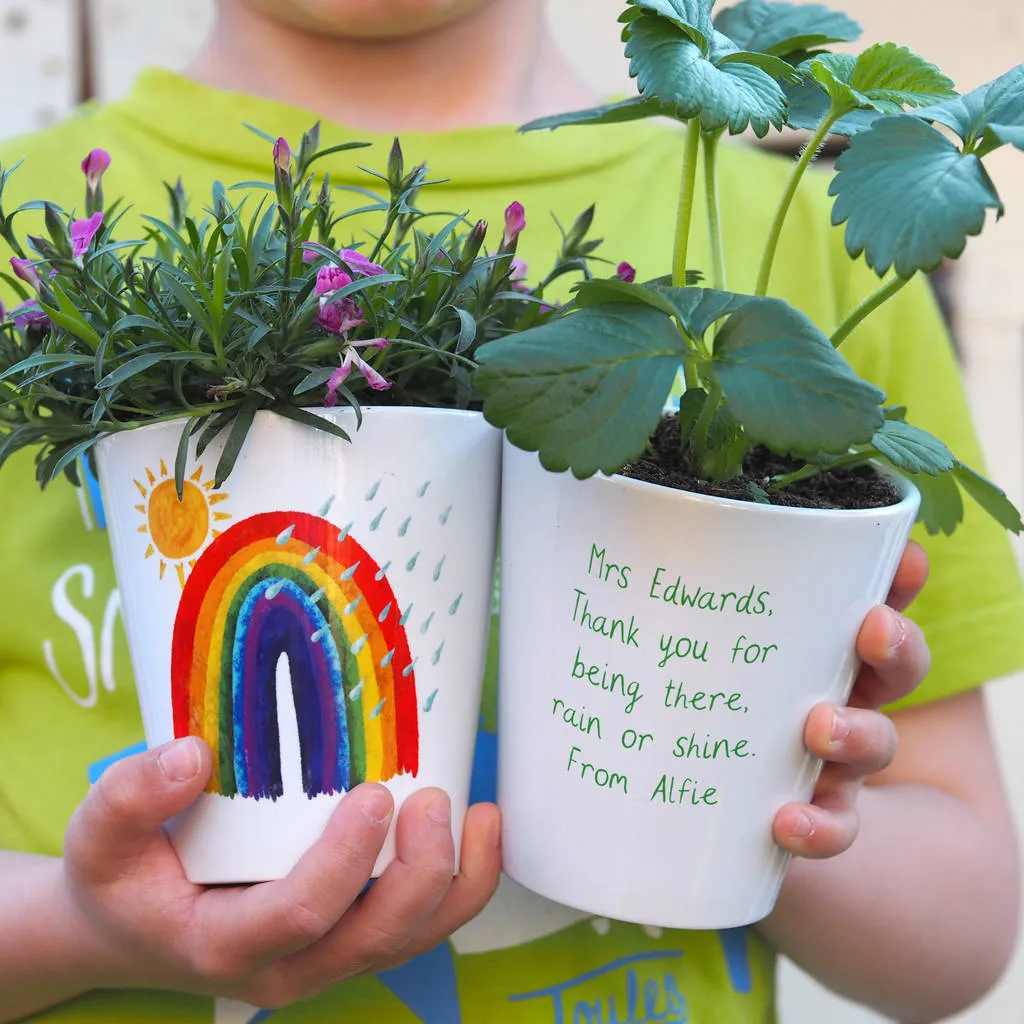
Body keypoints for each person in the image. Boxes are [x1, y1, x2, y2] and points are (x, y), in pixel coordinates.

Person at [0, 1, 1022, 1021]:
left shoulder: (816, 245)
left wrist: (753, 798)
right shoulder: (24, 234)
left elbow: (961, 938)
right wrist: (72, 924)